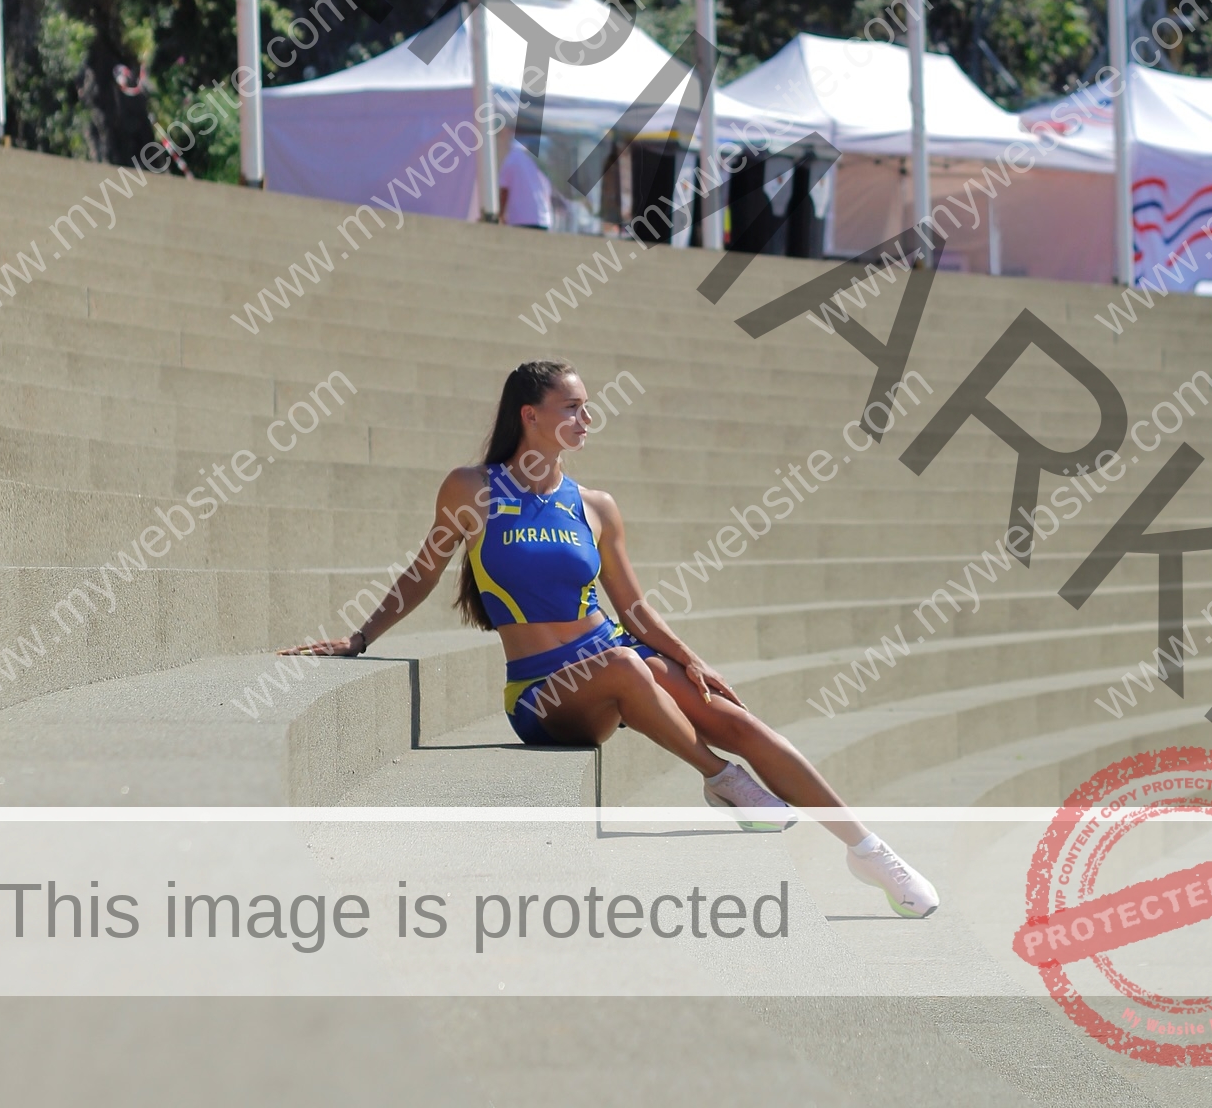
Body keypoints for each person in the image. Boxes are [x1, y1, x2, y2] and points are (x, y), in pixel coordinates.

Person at [282, 359, 940, 920]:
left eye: (588, 408)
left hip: (620, 652)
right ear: (529, 416)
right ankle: (718, 780)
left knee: (727, 713)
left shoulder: (595, 505)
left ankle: (871, 852)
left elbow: (634, 607)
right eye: (571, 408)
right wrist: (362, 636)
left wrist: (689, 659)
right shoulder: (473, 489)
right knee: (627, 665)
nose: (586, 420)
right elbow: (425, 569)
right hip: (544, 692)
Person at [498, 130, 552, 230]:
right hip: (543, 218)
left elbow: (504, 189)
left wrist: (500, 214)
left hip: (520, 218)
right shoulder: (540, 160)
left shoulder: (512, 159)